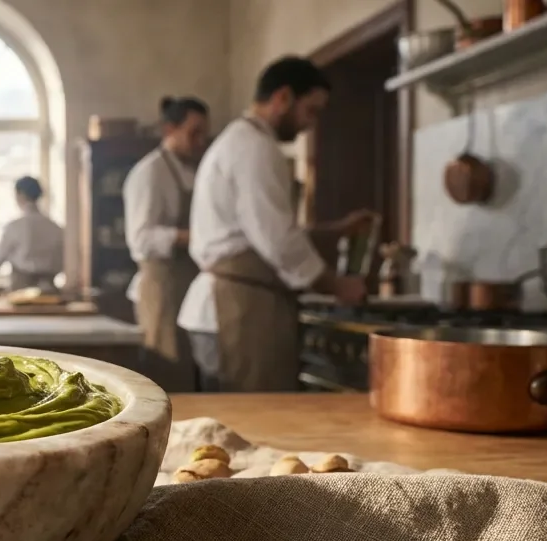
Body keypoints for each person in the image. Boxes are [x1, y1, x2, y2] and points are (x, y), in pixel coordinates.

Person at [180, 56, 374, 393]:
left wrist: (335, 230)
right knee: (252, 424)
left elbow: (259, 233)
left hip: (233, 304)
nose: (309, 125)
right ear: (283, 97)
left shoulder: (240, 140)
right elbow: (278, 242)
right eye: (310, 111)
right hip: (238, 311)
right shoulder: (255, 147)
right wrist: (337, 285)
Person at [123, 96, 211, 384]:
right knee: (169, 374)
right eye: (193, 132)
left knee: (191, 371)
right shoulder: (149, 173)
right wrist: (191, 236)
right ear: (169, 130)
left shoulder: (195, 170)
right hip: (162, 287)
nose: (200, 141)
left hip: (190, 282)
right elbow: (140, 238)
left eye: (203, 133)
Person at [0, 177, 65, 291]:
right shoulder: (56, 228)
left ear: (20, 195)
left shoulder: (15, 227)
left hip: (20, 293)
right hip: (50, 293)